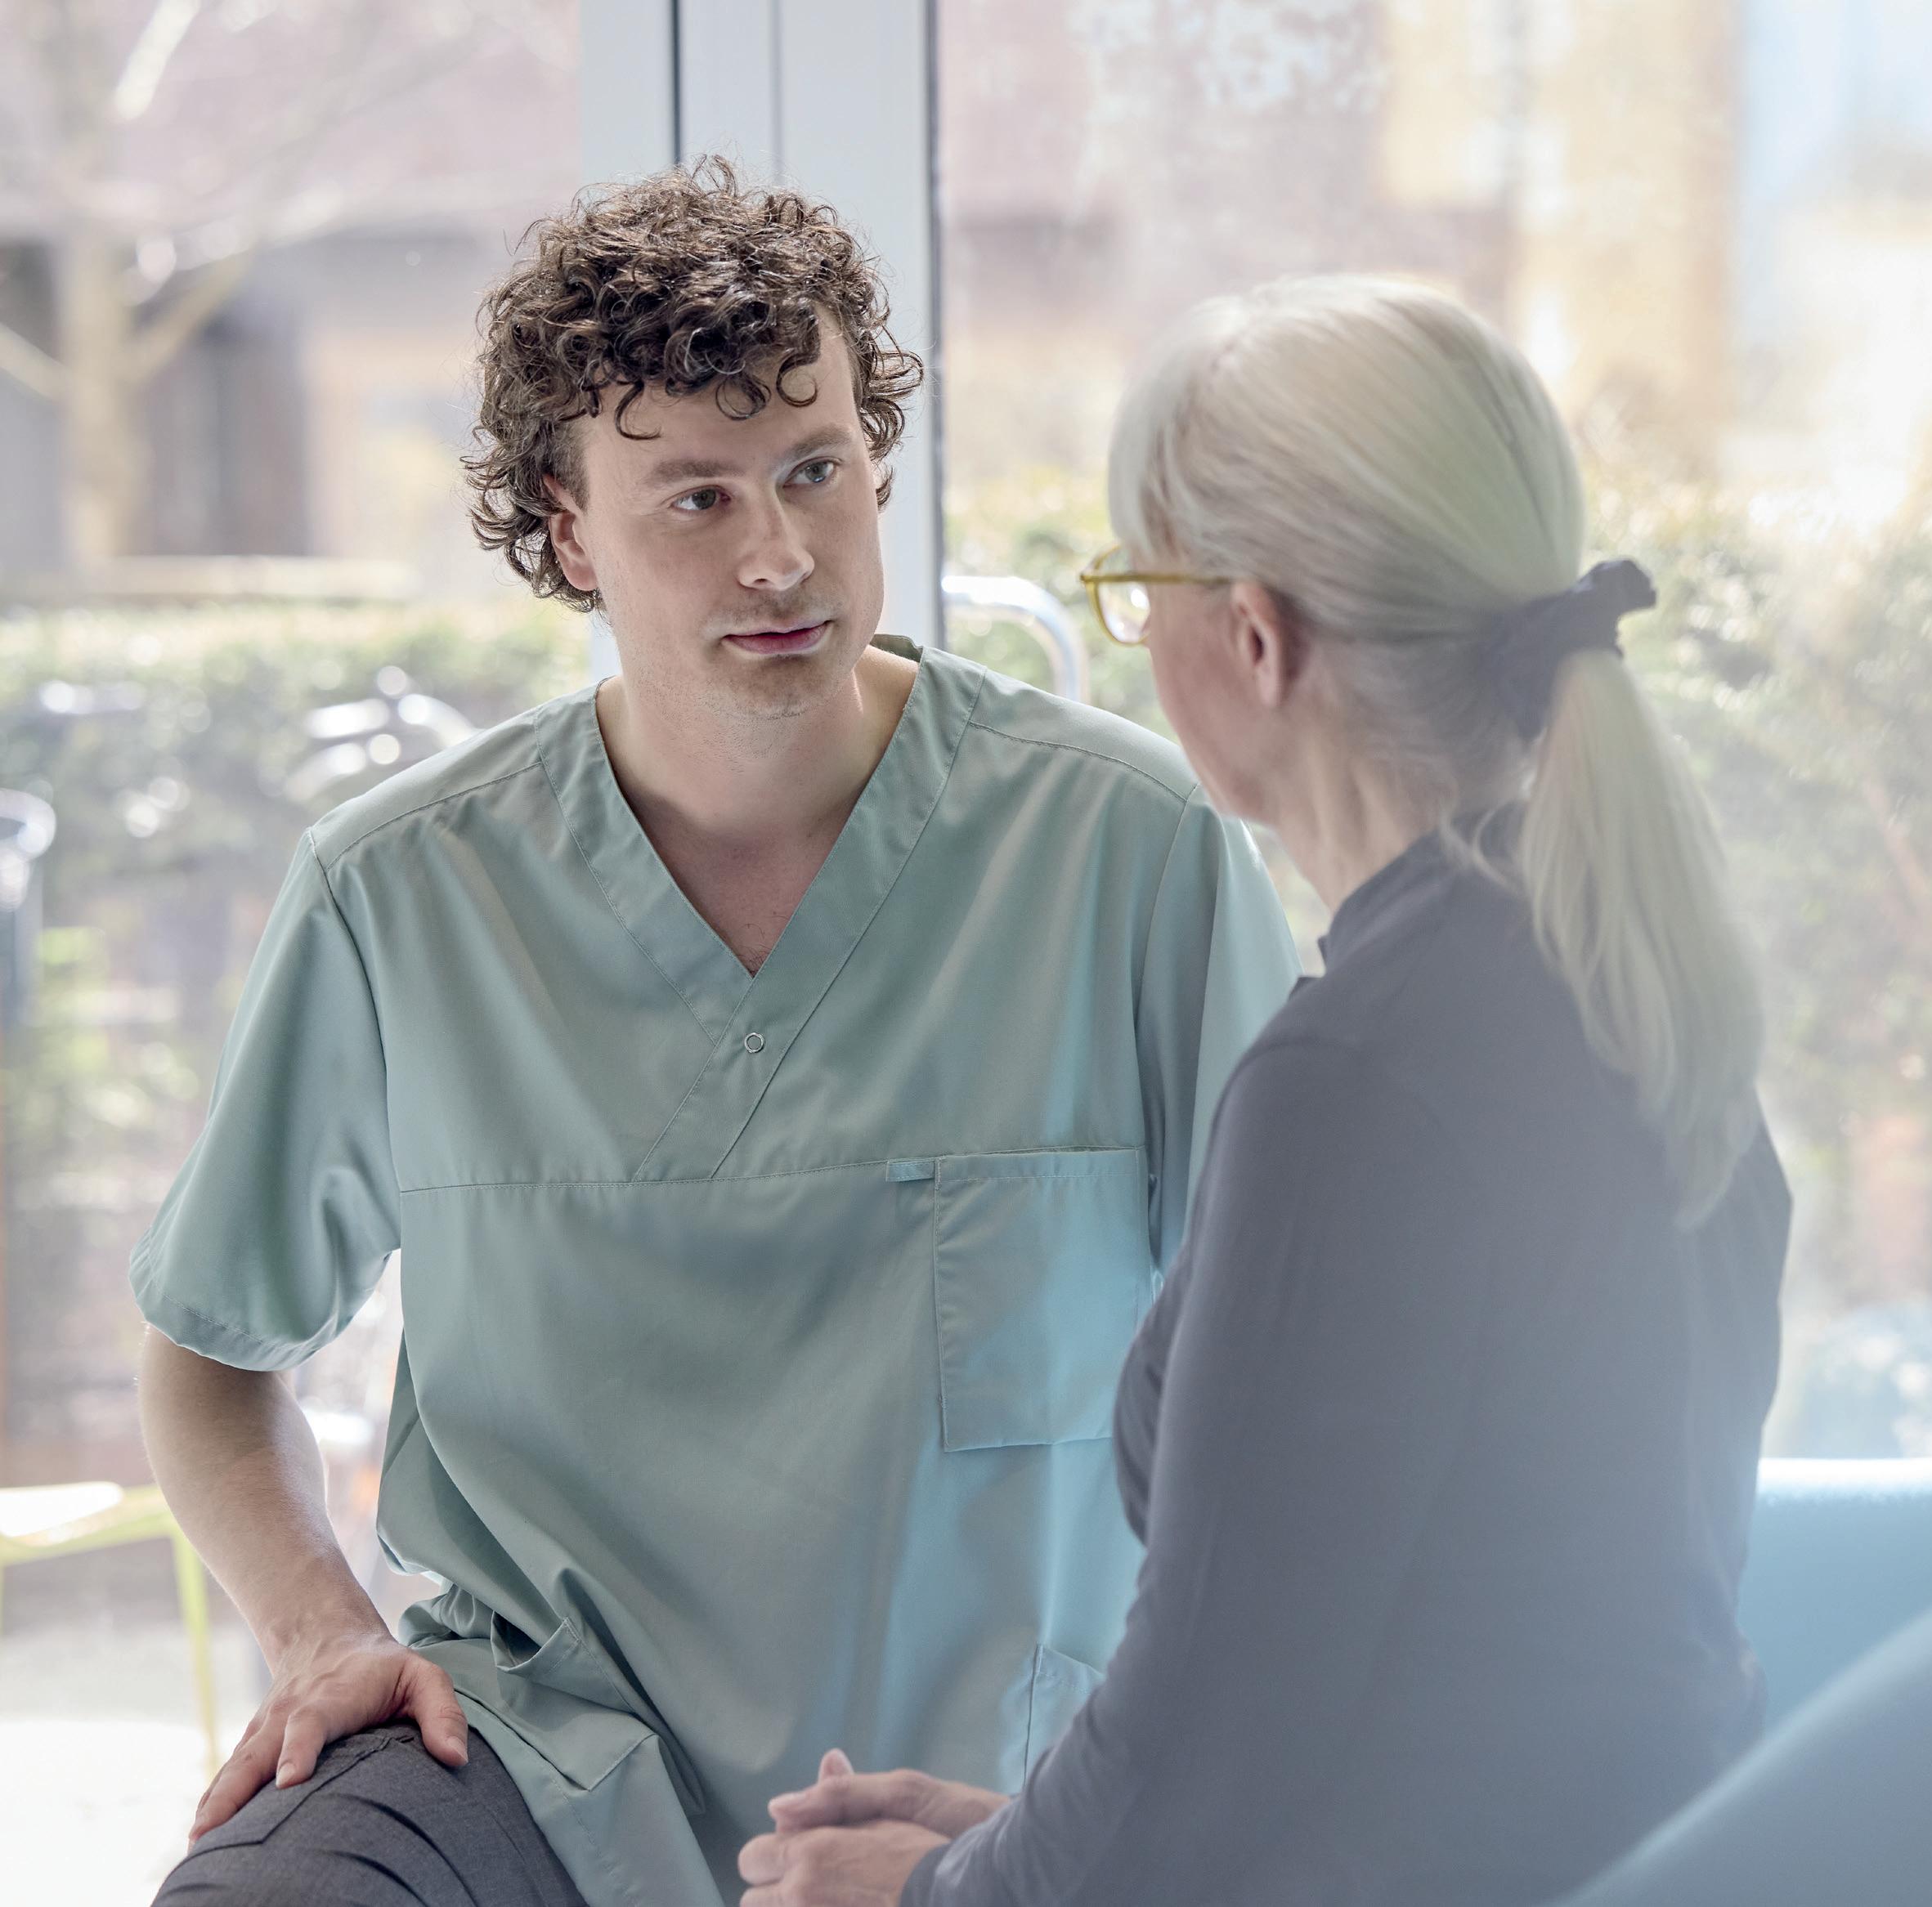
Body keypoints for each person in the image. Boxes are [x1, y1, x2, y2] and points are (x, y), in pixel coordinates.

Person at [134, 163, 1299, 1907]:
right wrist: (321, 1632)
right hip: (532, 1769)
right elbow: (211, 1353)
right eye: (694, 497)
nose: (779, 555)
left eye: (815, 471)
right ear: (569, 528)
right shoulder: (404, 896)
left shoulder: (1130, 852)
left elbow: (1316, 1361)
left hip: (1013, 1793)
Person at [739, 277, 1791, 1907]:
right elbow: (1435, 1669)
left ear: (1252, 637)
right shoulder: (1614, 969)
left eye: (1133, 588)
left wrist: (935, 1895)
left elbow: (1202, 1753)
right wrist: (1008, 1847)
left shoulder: (1359, 1078)